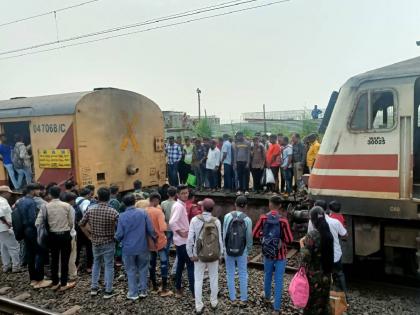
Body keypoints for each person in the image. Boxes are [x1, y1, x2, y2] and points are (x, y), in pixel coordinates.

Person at [253, 196, 294, 314]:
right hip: (280, 255)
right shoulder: (283, 220)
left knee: (267, 275)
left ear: (270, 204)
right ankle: (276, 308)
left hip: (267, 253)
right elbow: (290, 239)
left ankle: (267, 296)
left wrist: (265, 235)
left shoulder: (263, 218)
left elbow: (255, 234)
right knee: (279, 280)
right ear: (280, 205)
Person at [79, 187, 119, 299]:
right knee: (109, 265)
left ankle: (94, 288)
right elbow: (120, 227)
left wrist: (89, 236)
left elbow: (81, 224)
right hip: (108, 241)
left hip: (95, 241)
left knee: (96, 263)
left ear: (98, 197)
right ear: (109, 197)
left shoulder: (90, 209)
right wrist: (116, 237)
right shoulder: (113, 212)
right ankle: (108, 290)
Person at [115, 193, 156, 300]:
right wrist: (155, 238)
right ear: (134, 201)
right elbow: (151, 229)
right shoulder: (143, 213)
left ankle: (133, 293)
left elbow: (119, 234)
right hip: (142, 246)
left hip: (128, 249)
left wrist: (117, 240)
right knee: (143, 268)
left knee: (131, 270)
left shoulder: (122, 216)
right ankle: (143, 291)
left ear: (124, 203)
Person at [187, 198, 223, 314]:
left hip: (199, 255)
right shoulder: (216, 221)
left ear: (202, 208)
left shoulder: (194, 220)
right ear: (212, 209)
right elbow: (220, 241)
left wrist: (191, 254)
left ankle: (199, 306)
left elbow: (190, 240)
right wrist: (220, 254)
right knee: (214, 277)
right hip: (213, 255)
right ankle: (214, 302)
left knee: (198, 279)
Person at [36, 185, 74, 291]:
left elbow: (38, 223)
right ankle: (64, 283)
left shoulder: (45, 207)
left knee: (54, 259)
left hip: (52, 236)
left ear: (50, 195)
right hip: (65, 235)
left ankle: (55, 282)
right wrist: (66, 228)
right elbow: (71, 222)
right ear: (60, 193)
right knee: (65, 260)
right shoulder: (67, 206)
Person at [308, 202, 348, 299]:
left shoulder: (311, 223)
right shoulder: (335, 222)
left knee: (322, 279)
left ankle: (324, 298)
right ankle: (345, 297)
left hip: (320, 257)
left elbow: (309, 238)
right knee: (339, 274)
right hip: (335, 255)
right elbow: (345, 235)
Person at [16, 183, 51, 288]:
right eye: (37, 190)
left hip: (24, 231)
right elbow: (32, 219)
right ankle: (40, 279)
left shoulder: (20, 201)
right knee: (39, 253)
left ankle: (33, 280)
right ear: (32, 191)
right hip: (32, 230)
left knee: (30, 255)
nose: (39, 192)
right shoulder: (31, 202)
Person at [300, 206, 334, 315]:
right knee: (323, 303)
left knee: (312, 304)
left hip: (314, 277)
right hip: (326, 275)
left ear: (313, 219)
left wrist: (301, 244)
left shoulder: (313, 235)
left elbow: (305, 257)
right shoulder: (328, 233)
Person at [223, 196, 253, 306]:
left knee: (230, 273)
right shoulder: (247, 220)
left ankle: (233, 298)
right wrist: (249, 251)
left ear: (235, 204)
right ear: (246, 206)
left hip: (228, 250)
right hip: (242, 251)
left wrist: (224, 250)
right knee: (243, 274)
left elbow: (224, 234)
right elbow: (249, 238)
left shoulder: (227, 216)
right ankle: (243, 298)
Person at [144, 193, 172, 296]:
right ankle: (164, 287)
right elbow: (163, 227)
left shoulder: (144, 211)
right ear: (155, 200)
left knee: (152, 263)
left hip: (149, 242)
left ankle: (154, 286)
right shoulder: (158, 212)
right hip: (160, 241)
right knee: (164, 263)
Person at [169, 185, 194, 298]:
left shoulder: (179, 205)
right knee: (190, 265)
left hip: (180, 241)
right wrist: (181, 232)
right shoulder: (179, 206)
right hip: (183, 241)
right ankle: (194, 291)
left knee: (180, 265)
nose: (186, 195)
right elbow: (172, 222)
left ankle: (178, 288)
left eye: (187, 192)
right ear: (177, 195)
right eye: (183, 193)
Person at [0, 185, 20, 273]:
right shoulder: (2, 201)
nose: (10, 195)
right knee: (14, 247)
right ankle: (16, 266)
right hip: (5, 228)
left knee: (3, 248)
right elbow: (0, 214)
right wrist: (8, 224)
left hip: (1, 229)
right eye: (9, 193)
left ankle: (6, 266)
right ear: (4, 193)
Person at [75, 188, 93, 272]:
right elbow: (87, 213)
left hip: (76, 227)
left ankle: (76, 265)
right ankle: (89, 267)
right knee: (89, 246)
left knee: (77, 247)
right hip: (84, 226)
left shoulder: (75, 200)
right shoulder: (86, 202)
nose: (91, 196)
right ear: (87, 195)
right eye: (90, 195)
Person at [62, 192, 78, 281]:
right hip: (70, 234)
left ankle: (61, 273)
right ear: (71, 200)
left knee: (62, 254)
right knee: (72, 255)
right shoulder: (70, 208)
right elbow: (71, 223)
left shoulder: (61, 207)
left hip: (61, 233)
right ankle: (72, 274)